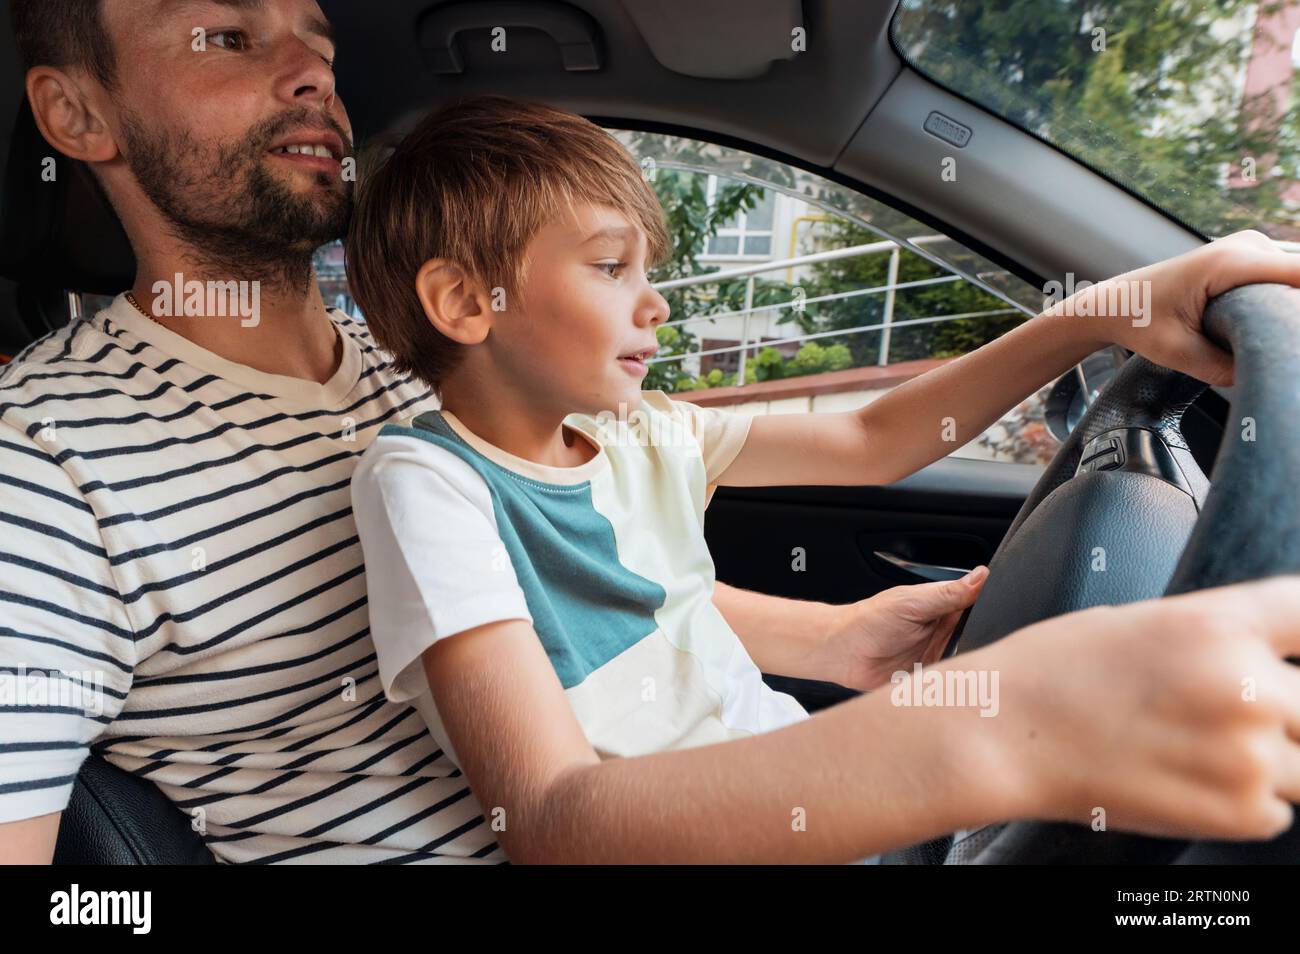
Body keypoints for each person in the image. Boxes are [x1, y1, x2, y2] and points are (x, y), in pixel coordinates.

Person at [0, 0, 988, 864]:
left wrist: (841, 638)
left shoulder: (435, 358)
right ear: (76, 114)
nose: (310, 76)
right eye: (226, 35)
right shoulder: (39, 466)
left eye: (319, 44)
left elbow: (594, 606)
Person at [344, 94, 1300, 864]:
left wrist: (1102, 313)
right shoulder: (428, 485)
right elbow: (556, 820)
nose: (657, 300)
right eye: (608, 265)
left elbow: (877, 437)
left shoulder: (639, 434)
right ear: (468, 302)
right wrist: (1014, 723)